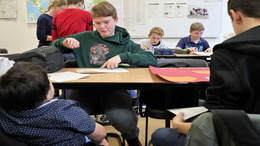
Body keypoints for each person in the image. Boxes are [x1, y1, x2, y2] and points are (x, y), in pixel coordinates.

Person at [150, 0, 260, 145]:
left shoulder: (228, 53)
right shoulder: (185, 41)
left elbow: (219, 120)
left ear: (236, 16)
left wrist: (180, 126)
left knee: (161, 135)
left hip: (242, 136)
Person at [51, 1, 157, 146]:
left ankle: (132, 140)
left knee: (126, 123)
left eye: (106, 22)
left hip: (114, 90)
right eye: (98, 23)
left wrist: (123, 56)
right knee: (70, 119)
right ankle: (94, 140)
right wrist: (64, 43)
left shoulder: (126, 43)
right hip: (84, 89)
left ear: (116, 20)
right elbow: (52, 45)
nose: (102, 27)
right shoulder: (84, 37)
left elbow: (151, 59)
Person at [0, 62, 109, 145]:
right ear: (47, 94)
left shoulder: (4, 111)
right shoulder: (64, 110)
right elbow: (100, 133)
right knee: (103, 140)